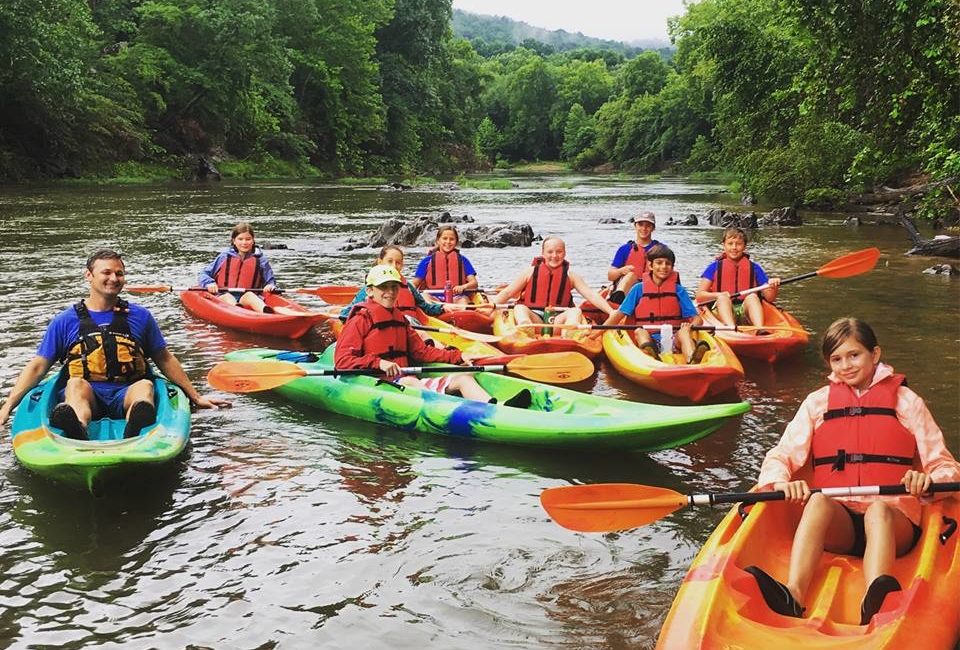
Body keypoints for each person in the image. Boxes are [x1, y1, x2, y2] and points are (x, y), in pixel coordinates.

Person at [745, 318, 960, 625]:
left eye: (854, 355)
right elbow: (781, 455)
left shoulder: (907, 402)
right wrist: (780, 482)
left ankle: (874, 599)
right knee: (817, 501)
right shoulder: (817, 403)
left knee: (878, 511)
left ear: (875, 354)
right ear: (829, 363)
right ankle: (793, 594)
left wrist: (928, 480)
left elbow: (945, 466)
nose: (845, 365)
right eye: (836, 358)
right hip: (841, 526)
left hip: (893, 525)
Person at [0, 249, 231, 439]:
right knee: (75, 385)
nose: (114, 278)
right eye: (106, 272)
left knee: (145, 386)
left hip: (126, 392)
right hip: (88, 394)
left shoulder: (140, 316)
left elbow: (164, 358)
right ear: (88, 276)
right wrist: (8, 406)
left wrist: (196, 396)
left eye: (119, 273)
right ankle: (77, 426)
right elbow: (39, 366)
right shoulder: (65, 321)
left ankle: (135, 425)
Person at [335, 265, 531, 408]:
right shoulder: (360, 319)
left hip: (405, 382)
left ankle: (497, 408)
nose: (390, 292)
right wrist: (379, 363)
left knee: (463, 377)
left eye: (394, 287)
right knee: (411, 381)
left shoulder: (400, 319)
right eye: (383, 287)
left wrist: (458, 356)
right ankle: (452, 410)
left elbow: (422, 352)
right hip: (377, 384)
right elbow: (342, 361)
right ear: (369, 291)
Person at [595, 244, 709, 363]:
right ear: (650, 265)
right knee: (640, 331)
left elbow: (698, 319)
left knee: (684, 332)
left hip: (674, 338)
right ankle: (651, 355)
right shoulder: (638, 289)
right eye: (659, 263)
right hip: (649, 338)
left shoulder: (679, 290)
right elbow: (619, 315)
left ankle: (692, 359)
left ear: (672, 267)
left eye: (668, 263)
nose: (664, 267)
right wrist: (597, 333)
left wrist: (690, 327)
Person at [489, 237, 615, 334]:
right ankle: (525, 328)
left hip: (558, 322)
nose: (554, 256)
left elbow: (591, 295)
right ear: (543, 254)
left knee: (575, 311)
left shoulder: (571, 276)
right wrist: (490, 308)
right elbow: (507, 293)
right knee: (519, 308)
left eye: (559, 252)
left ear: (564, 253)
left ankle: (570, 333)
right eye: (550, 252)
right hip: (535, 321)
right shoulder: (530, 272)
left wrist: (611, 312)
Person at [338, 245, 464, 322]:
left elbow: (425, 307)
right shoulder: (371, 290)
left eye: (398, 262)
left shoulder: (408, 287)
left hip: (411, 328)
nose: (394, 266)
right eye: (390, 261)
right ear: (380, 262)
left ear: (402, 265)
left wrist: (442, 307)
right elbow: (345, 314)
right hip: (385, 330)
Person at [695, 227, 781, 332]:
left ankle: (759, 329)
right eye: (730, 243)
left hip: (745, 311)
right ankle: (731, 328)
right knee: (723, 299)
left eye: (738, 244)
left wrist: (773, 286)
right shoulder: (714, 267)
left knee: (753, 296)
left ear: (744, 246)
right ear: (724, 245)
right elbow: (699, 296)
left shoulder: (754, 268)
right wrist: (718, 295)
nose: (734, 247)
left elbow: (770, 298)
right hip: (722, 312)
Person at [198, 222, 278, 313]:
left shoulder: (261, 260)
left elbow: (270, 280)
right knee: (228, 297)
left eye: (248, 239)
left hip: (247, 296)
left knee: (250, 295)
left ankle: (266, 312)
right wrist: (209, 283)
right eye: (240, 239)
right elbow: (204, 273)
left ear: (253, 240)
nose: (244, 242)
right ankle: (237, 309)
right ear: (234, 241)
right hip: (223, 295)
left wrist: (270, 285)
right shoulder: (224, 257)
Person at [411, 226, 480, 305]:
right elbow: (415, 284)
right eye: (444, 238)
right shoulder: (426, 261)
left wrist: (463, 287)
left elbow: (474, 283)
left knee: (464, 300)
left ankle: (462, 312)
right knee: (424, 297)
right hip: (434, 298)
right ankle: (435, 310)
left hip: (457, 298)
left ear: (456, 242)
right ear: (438, 241)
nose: (448, 242)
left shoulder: (463, 260)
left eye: (452, 239)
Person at [607, 211, 663, 304]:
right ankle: (618, 300)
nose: (644, 228)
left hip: (652, 286)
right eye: (640, 225)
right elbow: (610, 275)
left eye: (648, 225)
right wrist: (621, 271)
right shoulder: (625, 249)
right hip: (629, 290)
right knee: (630, 276)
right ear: (635, 226)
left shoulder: (661, 249)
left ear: (653, 228)